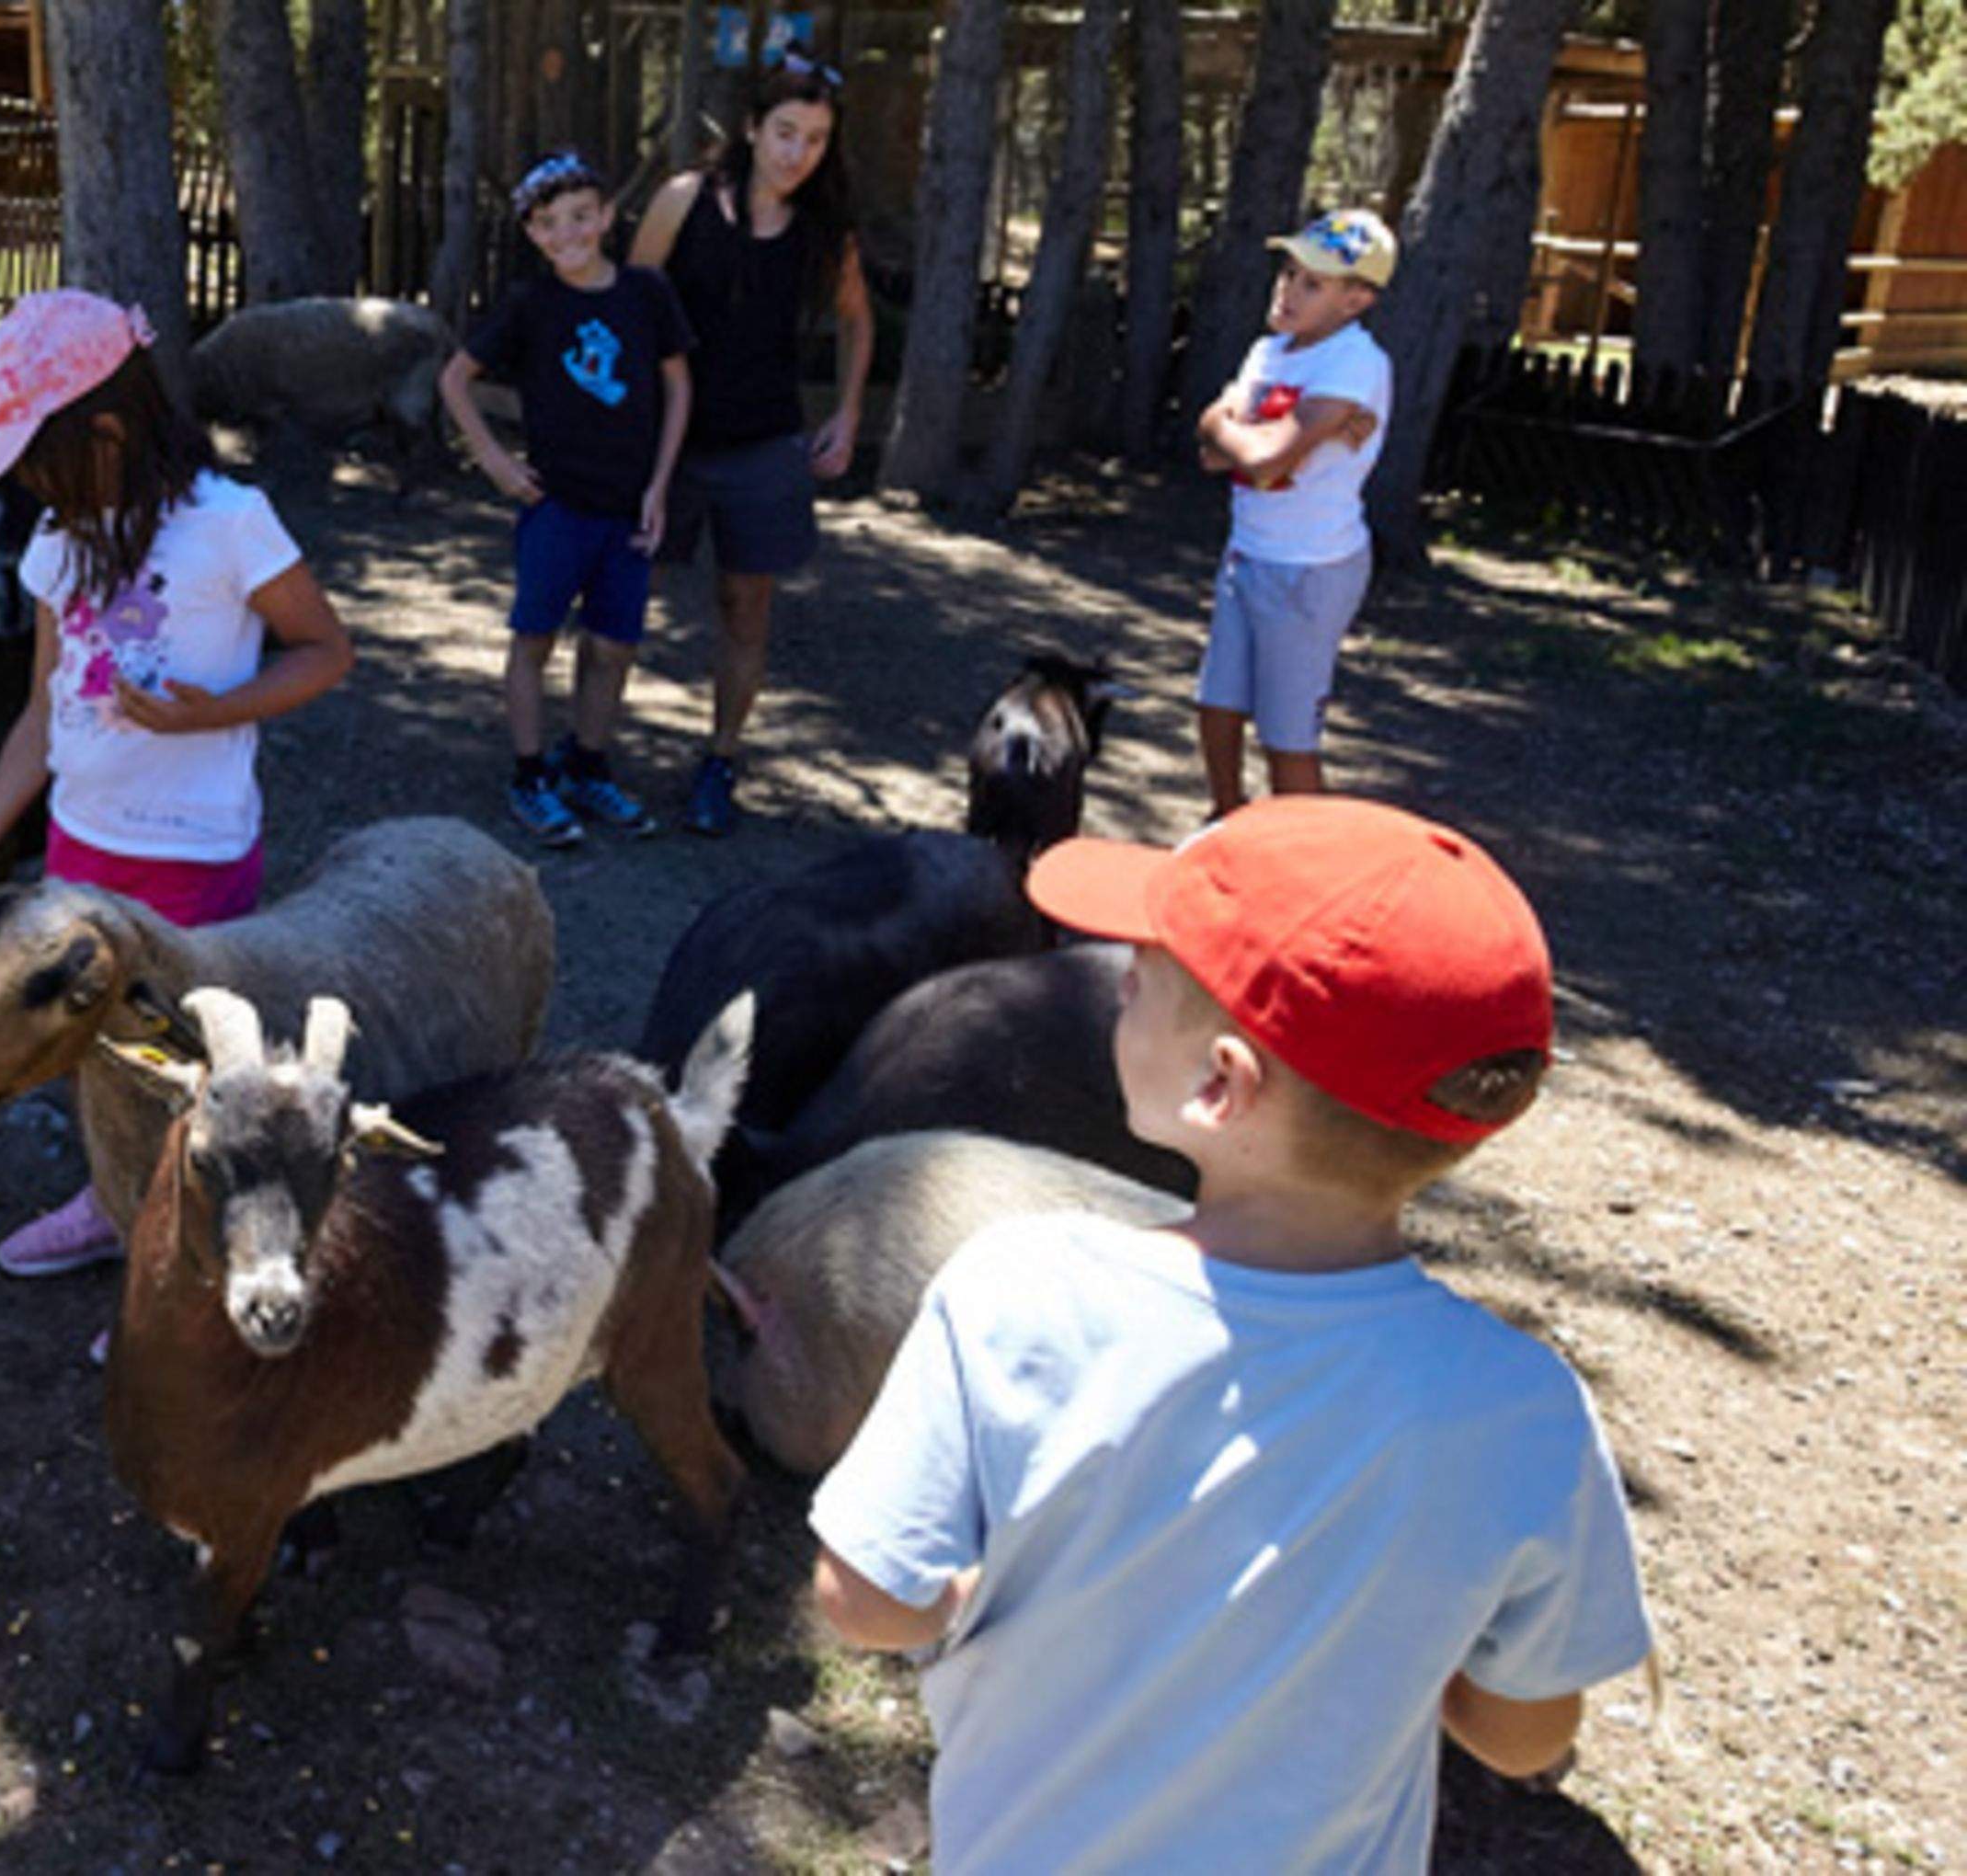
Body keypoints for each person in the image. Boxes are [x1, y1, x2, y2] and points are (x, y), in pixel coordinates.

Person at [806, 796, 1653, 1873]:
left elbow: (867, 1599)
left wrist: (1007, 1600)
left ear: (1222, 1083)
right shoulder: (1521, 1406)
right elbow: (1528, 1731)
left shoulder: (1022, 1291)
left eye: (1137, 983)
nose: (1116, 992)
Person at [0, 290, 356, 1281]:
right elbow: (41, 715)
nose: (26, 478)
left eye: (38, 452)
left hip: (191, 859)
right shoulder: (59, 541)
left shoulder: (231, 523)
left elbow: (324, 651)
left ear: (106, 430)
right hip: (79, 846)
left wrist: (212, 711)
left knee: (183, 1062)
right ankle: (114, 1203)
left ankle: (182, 1255)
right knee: (94, 1055)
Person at [628, 49, 875, 837]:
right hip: (668, 440)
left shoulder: (823, 233)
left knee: (745, 607)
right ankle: (590, 751)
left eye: (815, 139)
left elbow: (856, 317)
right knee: (625, 597)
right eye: (785, 132)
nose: (797, 153)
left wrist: (849, 411)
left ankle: (720, 758)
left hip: (764, 443)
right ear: (750, 128)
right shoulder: (683, 201)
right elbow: (628, 305)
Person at [440, 150, 697, 848]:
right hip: (557, 505)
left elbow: (678, 386)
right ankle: (530, 776)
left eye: (582, 217)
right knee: (535, 638)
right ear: (533, 234)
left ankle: (588, 763)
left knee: (614, 646)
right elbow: (455, 378)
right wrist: (494, 459)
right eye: (549, 224)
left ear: (608, 217)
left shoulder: (645, 294)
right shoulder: (531, 305)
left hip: (628, 506)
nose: (569, 234)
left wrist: (660, 485)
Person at [1192, 208, 1401, 818]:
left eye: (1313, 283)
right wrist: (1225, 430)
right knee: (1217, 706)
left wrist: (1223, 422)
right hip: (1249, 551)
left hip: (1311, 566)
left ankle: (1306, 863)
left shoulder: (1355, 364)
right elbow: (1214, 455)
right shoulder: (1269, 352)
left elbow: (1261, 457)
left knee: (1286, 737)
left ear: (1356, 300)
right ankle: (1226, 820)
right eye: (1287, 273)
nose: (1288, 290)